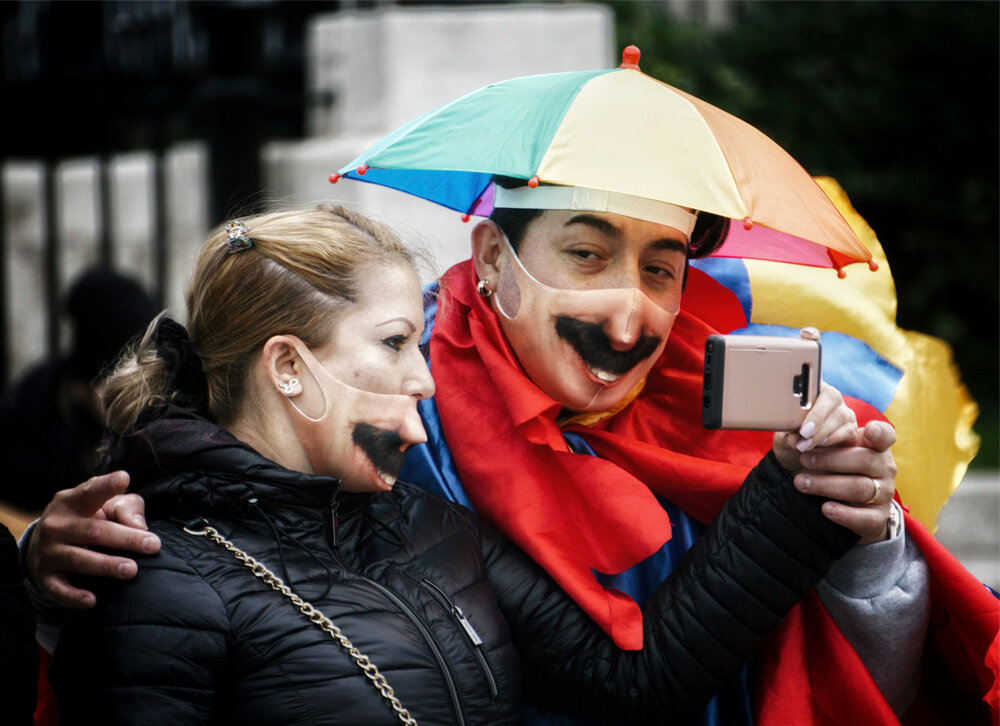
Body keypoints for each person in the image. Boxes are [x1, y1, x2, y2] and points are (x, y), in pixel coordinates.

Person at [44, 206, 874, 725]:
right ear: (288, 367)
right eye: (395, 344)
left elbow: (635, 684)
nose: (426, 377)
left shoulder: (428, 524)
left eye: (662, 267)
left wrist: (796, 489)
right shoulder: (146, 575)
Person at [0, 268, 158, 512]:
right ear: (83, 386)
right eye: (121, 389)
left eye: (145, 385)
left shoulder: (158, 429)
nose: (140, 404)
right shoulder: (22, 432)